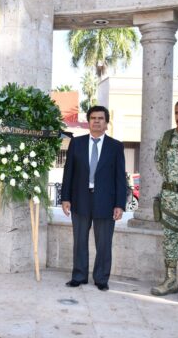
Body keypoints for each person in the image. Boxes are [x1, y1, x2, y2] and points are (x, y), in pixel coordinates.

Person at [61, 105, 126, 291]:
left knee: (104, 243)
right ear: (88, 122)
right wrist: (65, 198)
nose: (97, 121)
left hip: (106, 201)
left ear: (106, 123)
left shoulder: (115, 146)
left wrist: (119, 204)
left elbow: (120, 177)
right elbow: (68, 172)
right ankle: (79, 276)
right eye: (93, 118)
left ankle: (101, 279)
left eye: (101, 118)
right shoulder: (77, 143)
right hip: (80, 199)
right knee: (79, 240)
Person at [151, 99, 178, 301]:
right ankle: (171, 281)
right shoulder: (167, 137)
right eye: (177, 113)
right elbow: (158, 161)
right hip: (169, 196)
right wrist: (173, 181)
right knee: (170, 240)